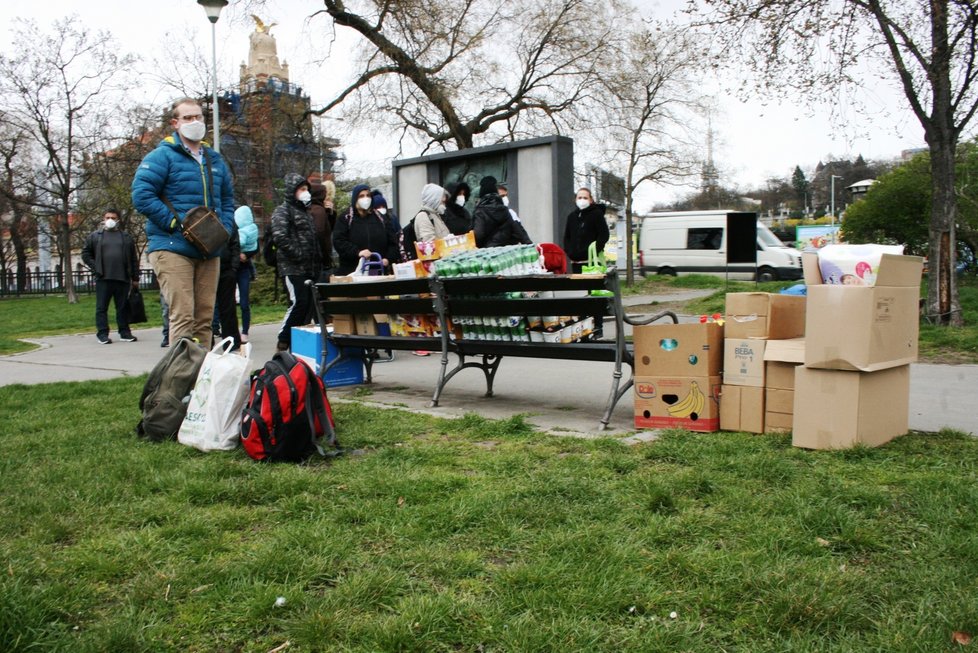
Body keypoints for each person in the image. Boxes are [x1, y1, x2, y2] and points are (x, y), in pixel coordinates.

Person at [131, 97, 236, 344]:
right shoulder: (161, 156)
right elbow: (141, 195)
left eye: (198, 117)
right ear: (175, 123)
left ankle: (201, 378)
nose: (195, 122)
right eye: (188, 118)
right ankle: (180, 381)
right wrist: (173, 224)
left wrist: (226, 229)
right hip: (171, 246)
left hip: (209, 248)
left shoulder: (214, 159)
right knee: (183, 316)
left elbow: (228, 199)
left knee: (205, 318)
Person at [271, 173, 322, 352]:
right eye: (301, 189)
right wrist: (298, 254)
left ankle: (297, 343)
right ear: (293, 191)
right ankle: (283, 340)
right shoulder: (283, 210)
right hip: (292, 267)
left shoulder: (305, 213)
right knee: (298, 302)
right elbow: (279, 236)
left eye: (306, 189)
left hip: (309, 268)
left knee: (307, 304)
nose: (305, 192)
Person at [81, 209, 139, 344]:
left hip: (122, 278)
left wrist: (135, 278)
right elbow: (85, 254)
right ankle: (102, 333)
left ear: (118, 220)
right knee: (101, 307)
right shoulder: (95, 236)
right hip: (103, 278)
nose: (110, 220)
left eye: (113, 217)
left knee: (123, 307)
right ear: (103, 219)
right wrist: (96, 267)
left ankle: (125, 332)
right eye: (107, 217)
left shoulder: (126, 237)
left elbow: (133, 259)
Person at [333, 184, 402, 275]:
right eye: (361, 196)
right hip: (352, 271)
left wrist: (388, 259)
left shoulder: (381, 218)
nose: (365, 198)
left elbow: (393, 242)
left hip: (377, 270)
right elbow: (339, 241)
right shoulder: (345, 218)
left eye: (368, 195)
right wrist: (357, 252)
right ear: (355, 199)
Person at [563, 187, 610, 273]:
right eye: (579, 197)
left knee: (592, 286)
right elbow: (567, 237)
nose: (582, 200)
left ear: (591, 200)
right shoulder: (571, 217)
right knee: (579, 286)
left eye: (585, 198)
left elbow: (604, 235)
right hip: (576, 262)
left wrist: (594, 250)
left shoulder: (597, 214)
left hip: (593, 262)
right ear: (575, 199)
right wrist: (570, 252)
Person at [211, 221, 242, 349]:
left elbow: (235, 244)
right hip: (209, 265)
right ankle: (207, 342)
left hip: (226, 268)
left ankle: (232, 343)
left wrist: (233, 268)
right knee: (206, 308)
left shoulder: (227, 219)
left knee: (228, 307)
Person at [234, 205, 260, 342]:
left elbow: (255, 247)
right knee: (229, 302)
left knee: (244, 302)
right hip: (235, 268)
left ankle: (244, 331)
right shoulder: (246, 228)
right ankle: (234, 330)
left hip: (242, 268)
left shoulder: (245, 230)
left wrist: (245, 254)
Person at [473, 176, 519, 248]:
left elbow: (478, 234)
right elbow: (518, 230)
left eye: (506, 195)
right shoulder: (504, 210)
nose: (505, 198)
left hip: (489, 251)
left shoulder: (480, 211)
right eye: (502, 196)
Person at [308, 180, 335, 281]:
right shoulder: (319, 211)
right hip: (321, 262)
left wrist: (330, 213)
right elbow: (321, 234)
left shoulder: (316, 210)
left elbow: (328, 229)